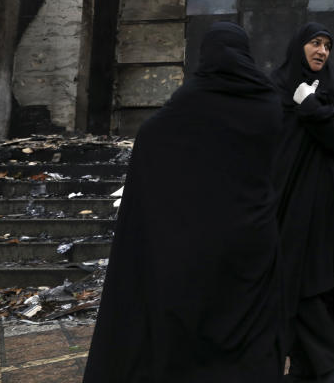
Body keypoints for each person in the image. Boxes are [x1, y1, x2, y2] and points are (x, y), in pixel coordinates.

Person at [83, 22, 284, 383]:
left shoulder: (192, 99)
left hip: (195, 240)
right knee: (250, 320)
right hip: (252, 235)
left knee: (195, 316)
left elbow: (151, 136)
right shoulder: (268, 100)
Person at [271, 22, 334, 382]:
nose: (322, 51)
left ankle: (321, 363)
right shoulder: (278, 85)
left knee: (316, 280)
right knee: (295, 280)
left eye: (327, 44)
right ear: (299, 46)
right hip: (288, 200)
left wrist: (310, 107)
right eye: (315, 42)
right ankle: (312, 365)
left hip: (327, 201)